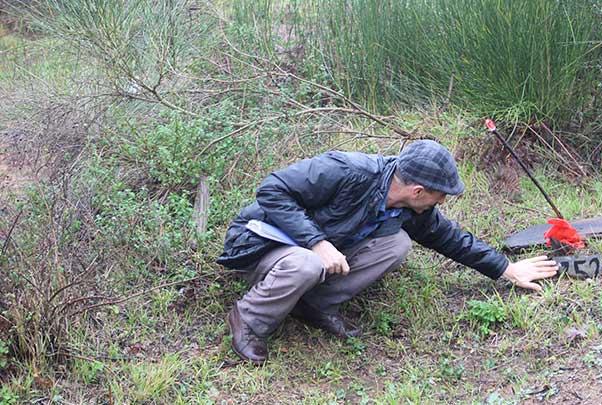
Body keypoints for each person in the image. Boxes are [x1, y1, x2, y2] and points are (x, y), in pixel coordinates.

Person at [217, 140, 558, 364]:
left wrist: (506, 269)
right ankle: (249, 320)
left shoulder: (412, 208)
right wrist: (316, 242)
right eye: (440, 196)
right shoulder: (348, 170)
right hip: (260, 243)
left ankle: (312, 304)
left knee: (397, 244)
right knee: (307, 263)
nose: (442, 203)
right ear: (418, 190)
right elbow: (271, 190)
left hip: (303, 252)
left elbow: (450, 238)